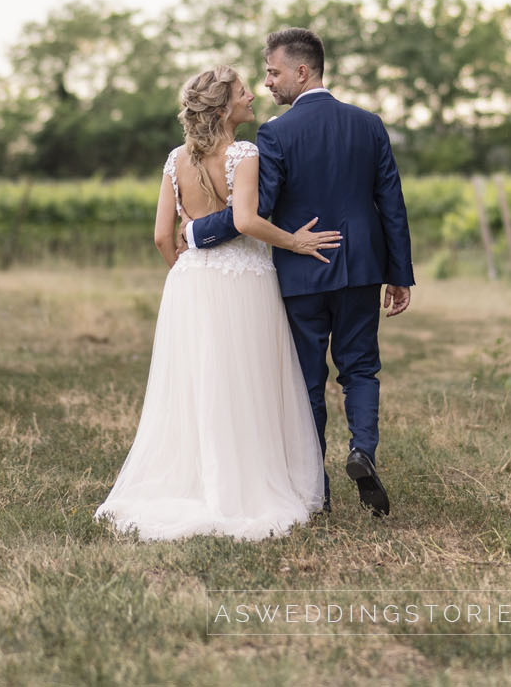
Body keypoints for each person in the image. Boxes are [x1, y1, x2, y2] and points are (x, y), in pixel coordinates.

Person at [93, 64, 343, 541]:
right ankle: (242, 486)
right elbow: (246, 220)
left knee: (199, 383)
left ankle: (199, 478)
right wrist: (295, 242)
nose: (253, 96)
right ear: (225, 106)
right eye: (245, 92)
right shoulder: (243, 153)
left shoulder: (175, 159)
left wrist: (187, 272)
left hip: (191, 283)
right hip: (244, 280)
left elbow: (161, 235)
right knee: (247, 380)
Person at [182, 27, 415, 516]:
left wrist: (198, 233)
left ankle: (317, 494)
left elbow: (256, 210)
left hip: (299, 272)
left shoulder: (275, 133)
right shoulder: (369, 123)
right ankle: (362, 451)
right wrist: (400, 273)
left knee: (306, 381)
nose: (267, 83)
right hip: (360, 268)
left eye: (272, 72)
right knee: (361, 368)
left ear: (301, 71)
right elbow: (390, 202)